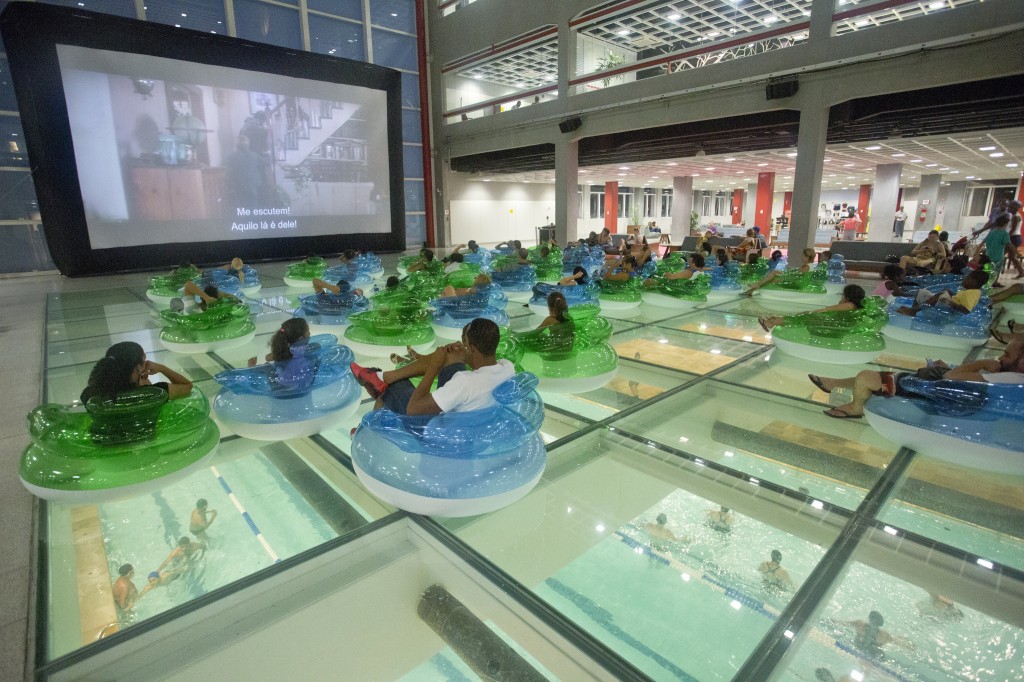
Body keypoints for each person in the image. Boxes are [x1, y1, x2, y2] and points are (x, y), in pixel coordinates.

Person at [809, 335, 1024, 419]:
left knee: (867, 377)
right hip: (931, 386)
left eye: (1007, 354)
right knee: (882, 376)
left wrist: (983, 362)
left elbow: (952, 378)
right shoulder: (1009, 376)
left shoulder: (1004, 380)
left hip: (928, 394)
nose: (1000, 357)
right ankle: (834, 384)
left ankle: (856, 408)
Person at [350, 318, 514, 416]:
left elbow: (413, 409)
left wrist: (434, 366)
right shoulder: (507, 367)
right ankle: (381, 378)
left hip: (436, 428)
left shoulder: (465, 382)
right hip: (472, 414)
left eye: (464, 344)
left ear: (471, 347)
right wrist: (458, 353)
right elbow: (481, 364)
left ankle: (368, 429)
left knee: (391, 388)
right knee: (448, 356)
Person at [81, 341, 193, 403]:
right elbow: (187, 386)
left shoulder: (89, 394)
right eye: (144, 357)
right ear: (138, 367)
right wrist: (162, 368)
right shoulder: (155, 393)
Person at [758, 284, 866, 332]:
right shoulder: (854, 307)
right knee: (802, 316)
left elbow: (827, 309)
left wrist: (812, 313)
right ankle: (777, 319)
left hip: (830, 325)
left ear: (848, 296)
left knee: (804, 316)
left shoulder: (848, 305)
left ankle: (772, 322)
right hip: (833, 323)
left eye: (843, 295)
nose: (841, 297)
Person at [895, 268, 987, 317]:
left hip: (950, 311)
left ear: (974, 282)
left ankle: (913, 310)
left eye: (967, 278)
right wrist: (952, 295)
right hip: (949, 305)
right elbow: (959, 300)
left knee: (941, 294)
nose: (964, 280)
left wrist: (950, 302)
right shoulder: (971, 291)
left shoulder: (972, 293)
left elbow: (966, 310)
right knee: (922, 291)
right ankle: (913, 310)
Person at [839, 610, 913, 657]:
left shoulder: (860, 624)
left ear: (869, 619)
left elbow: (842, 623)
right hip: (873, 654)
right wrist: (910, 648)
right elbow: (898, 643)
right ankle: (901, 638)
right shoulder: (883, 636)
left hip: (866, 650)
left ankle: (901, 637)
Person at [743, 247, 815, 295]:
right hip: (794, 280)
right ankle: (754, 288)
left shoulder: (807, 267)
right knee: (775, 273)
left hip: (795, 283)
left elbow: (796, 276)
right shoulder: (810, 265)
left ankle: (754, 287)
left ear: (807, 257)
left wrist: (784, 276)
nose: (801, 256)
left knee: (772, 278)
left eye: (803, 255)